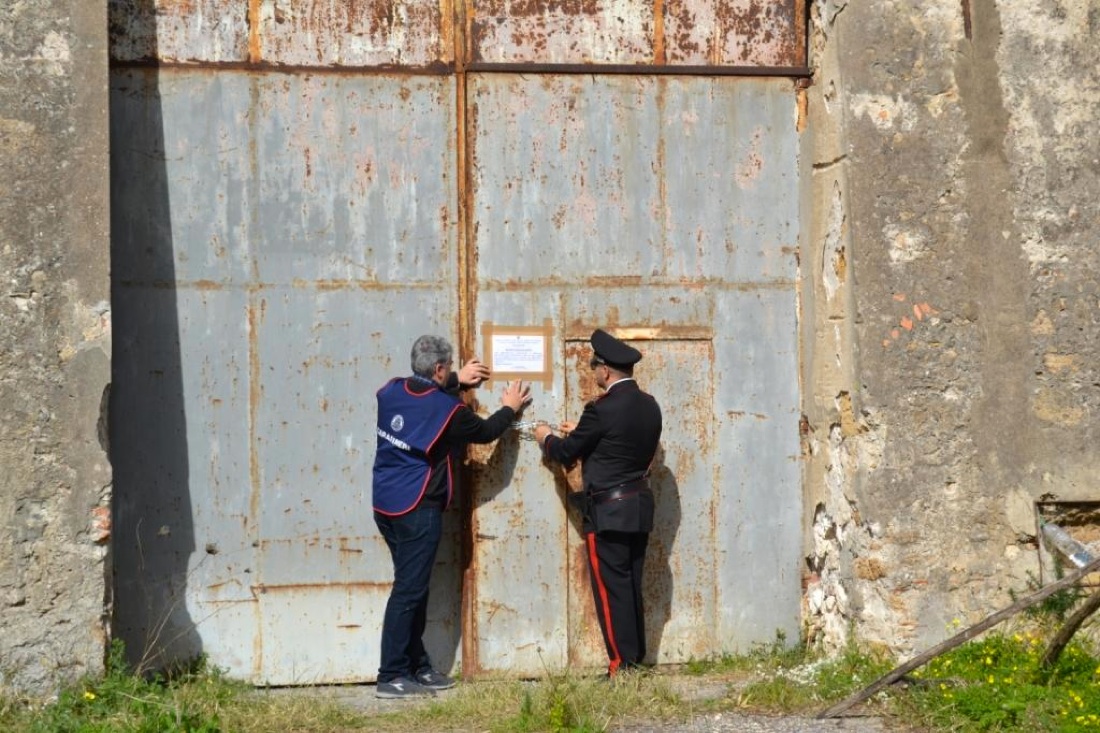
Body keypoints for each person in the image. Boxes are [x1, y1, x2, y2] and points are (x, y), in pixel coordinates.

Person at [373, 334, 531, 699]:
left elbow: (425, 395)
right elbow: (487, 431)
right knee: (408, 591)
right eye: (448, 370)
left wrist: (457, 379)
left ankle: (418, 666)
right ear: (440, 368)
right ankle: (391, 674)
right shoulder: (450, 413)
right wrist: (509, 406)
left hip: (385, 504)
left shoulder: (390, 390)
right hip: (417, 507)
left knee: (414, 586)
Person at [533, 329, 663, 678]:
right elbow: (630, 450)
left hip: (608, 511)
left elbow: (565, 452)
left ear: (605, 371)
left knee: (611, 590)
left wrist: (545, 436)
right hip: (639, 506)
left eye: (595, 368)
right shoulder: (650, 405)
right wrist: (584, 430)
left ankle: (620, 667)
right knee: (631, 585)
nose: (594, 374)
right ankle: (635, 661)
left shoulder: (600, 409)